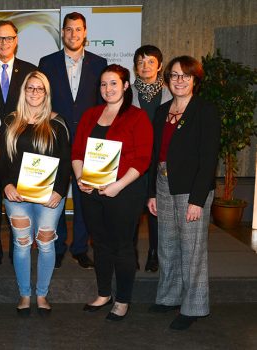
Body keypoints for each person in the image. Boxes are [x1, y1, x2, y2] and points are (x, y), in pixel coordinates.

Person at [72, 64, 153, 321]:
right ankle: (104, 293)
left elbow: (142, 159)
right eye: (104, 84)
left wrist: (117, 186)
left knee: (122, 246)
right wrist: (80, 177)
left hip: (124, 192)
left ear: (126, 86)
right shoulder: (90, 115)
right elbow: (76, 153)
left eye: (114, 83)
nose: (108, 89)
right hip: (92, 192)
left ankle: (123, 300)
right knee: (100, 243)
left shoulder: (137, 117)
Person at [147, 56, 220, 330]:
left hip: (192, 188)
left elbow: (209, 158)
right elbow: (155, 155)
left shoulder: (205, 110)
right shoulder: (161, 111)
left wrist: (198, 200)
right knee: (166, 245)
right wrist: (152, 192)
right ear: (167, 80)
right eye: (175, 75)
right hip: (163, 184)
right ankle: (168, 297)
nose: (179, 80)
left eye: (185, 76)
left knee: (192, 249)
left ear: (195, 81)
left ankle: (194, 306)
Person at [0, 71, 71, 316]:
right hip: (16, 196)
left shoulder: (57, 123)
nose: (34, 93)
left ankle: (41, 294)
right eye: (30, 88)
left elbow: (65, 161)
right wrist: (6, 185)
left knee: (46, 244)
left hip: (48, 196)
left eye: (40, 89)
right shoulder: (10, 122)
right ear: (23, 91)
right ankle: (24, 294)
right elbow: (3, 160)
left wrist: (60, 191)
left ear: (46, 93)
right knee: (21, 244)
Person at [39, 12, 107, 269]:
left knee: (84, 198)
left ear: (85, 32)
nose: (73, 34)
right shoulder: (47, 63)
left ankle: (80, 247)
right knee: (54, 195)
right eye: (68, 29)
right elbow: (41, 101)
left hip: (88, 145)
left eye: (78, 30)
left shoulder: (100, 64)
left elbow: (103, 105)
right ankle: (56, 247)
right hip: (55, 142)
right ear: (63, 32)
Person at [0, 20, 37, 272]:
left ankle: (20, 250)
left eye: (9, 38)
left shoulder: (30, 71)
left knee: (20, 203)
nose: (4, 43)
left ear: (16, 40)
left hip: (21, 148)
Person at [131, 45, 172, 272]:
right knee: (133, 210)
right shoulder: (128, 93)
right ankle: (132, 252)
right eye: (140, 62)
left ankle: (154, 253)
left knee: (156, 211)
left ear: (159, 66)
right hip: (135, 161)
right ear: (135, 67)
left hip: (160, 161)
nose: (145, 66)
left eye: (150, 62)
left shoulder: (170, 93)